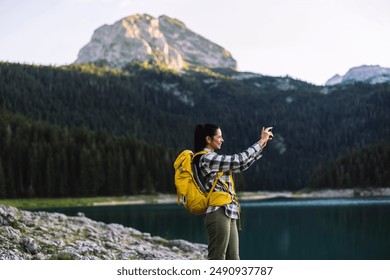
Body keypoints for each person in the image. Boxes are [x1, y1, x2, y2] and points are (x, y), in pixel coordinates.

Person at [193, 124, 273, 260]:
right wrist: (260, 142)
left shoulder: (214, 158)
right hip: (218, 210)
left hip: (229, 210)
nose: (222, 140)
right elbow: (238, 160)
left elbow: (241, 165)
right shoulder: (207, 158)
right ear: (208, 139)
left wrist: (262, 144)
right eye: (219, 137)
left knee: (234, 259)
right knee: (217, 258)